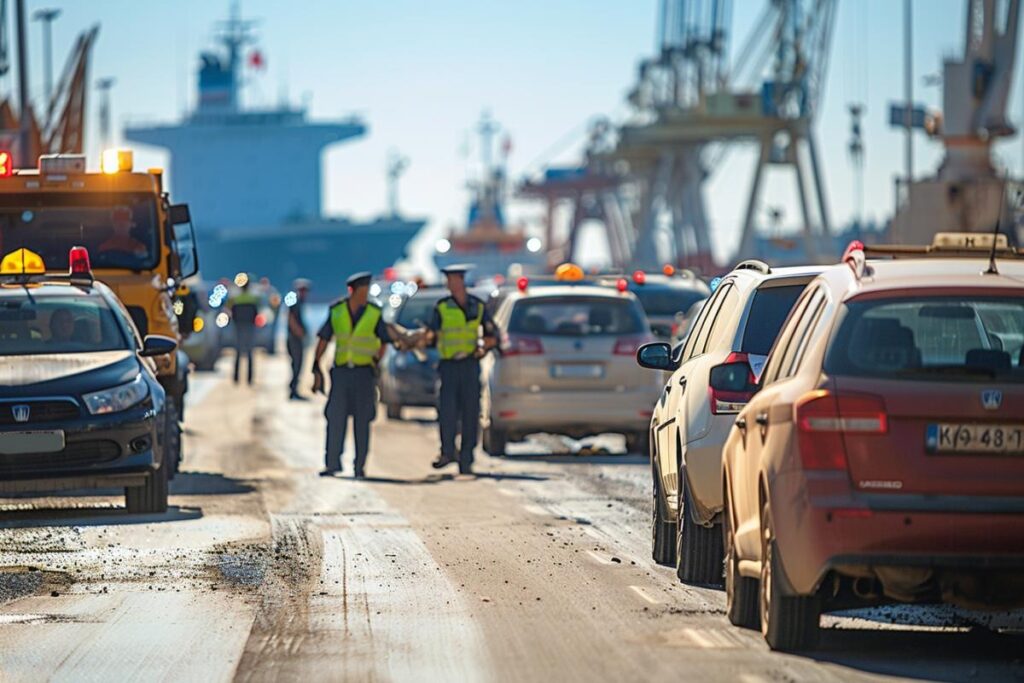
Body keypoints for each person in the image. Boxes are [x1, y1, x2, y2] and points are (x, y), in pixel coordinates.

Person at [311, 272, 392, 479]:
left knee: (362, 422)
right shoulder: (337, 310)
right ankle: (332, 464)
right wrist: (316, 364)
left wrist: (376, 361)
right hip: (341, 374)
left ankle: (359, 466)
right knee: (335, 419)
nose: (365, 296)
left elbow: (384, 341)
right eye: (362, 292)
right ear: (352, 291)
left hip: (364, 374)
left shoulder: (374, 312)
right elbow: (324, 338)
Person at [423, 264, 498, 475]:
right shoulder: (442, 307)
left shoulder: (478, 306)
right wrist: (422, 338)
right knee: (447, 413)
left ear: (460, 281)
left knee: (470, 414)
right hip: (448, 367)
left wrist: (483, 347)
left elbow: (492, 335)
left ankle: (467, 459)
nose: (449, 284)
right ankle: (447, 451)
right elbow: (431, 334)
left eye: (451, 280)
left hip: (469, 366)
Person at [228, 279, 260, 385]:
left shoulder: (236, 298)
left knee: (238, 352)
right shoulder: (252, 298)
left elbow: (232, 312)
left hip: (238, 327)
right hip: (249, 327)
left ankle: (236, 378)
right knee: (250, 353)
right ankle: (249, 379)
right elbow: (256, 312)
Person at [287, 279, 312, 400]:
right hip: (294, 339)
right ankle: (293, 390)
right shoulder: (294, 301)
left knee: (298, 365)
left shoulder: (299, 301)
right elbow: (290, 318)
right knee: (296, 365)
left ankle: (294, 389)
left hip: (296, 338)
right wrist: (300, 333)